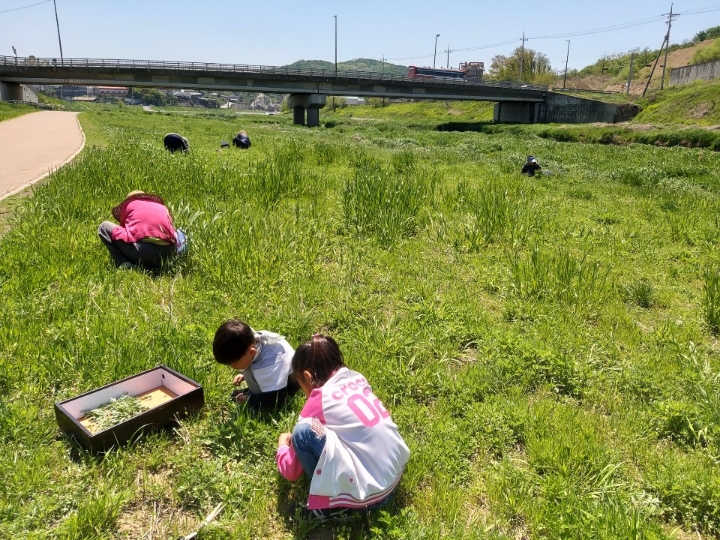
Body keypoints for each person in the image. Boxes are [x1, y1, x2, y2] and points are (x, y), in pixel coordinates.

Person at [276, 334, 410, 520]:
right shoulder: (357, 378)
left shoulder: (319, 399)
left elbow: (291, 471)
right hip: (395, 474)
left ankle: (334, 505)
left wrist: (282, 446)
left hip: (370, 497)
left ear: (307, 376)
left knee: (303, 432)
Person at [213, 320, 298, 410]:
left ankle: (254, 395)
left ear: (252, 352)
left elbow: (277, 398)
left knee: (268, 401)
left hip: (287, 384)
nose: (232, 367)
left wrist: (250, 400)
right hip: (273, 375)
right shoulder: (251, 340)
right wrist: (243, 375)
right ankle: (252, 393)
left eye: (235, 364)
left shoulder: (270, 363)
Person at [98, 190, 179, 269]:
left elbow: (123, 231)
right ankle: (154, 265)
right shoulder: (162, 207)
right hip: (169, 253)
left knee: (104, 226)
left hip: (143, 251)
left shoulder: (128, 205)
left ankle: (124, 263)